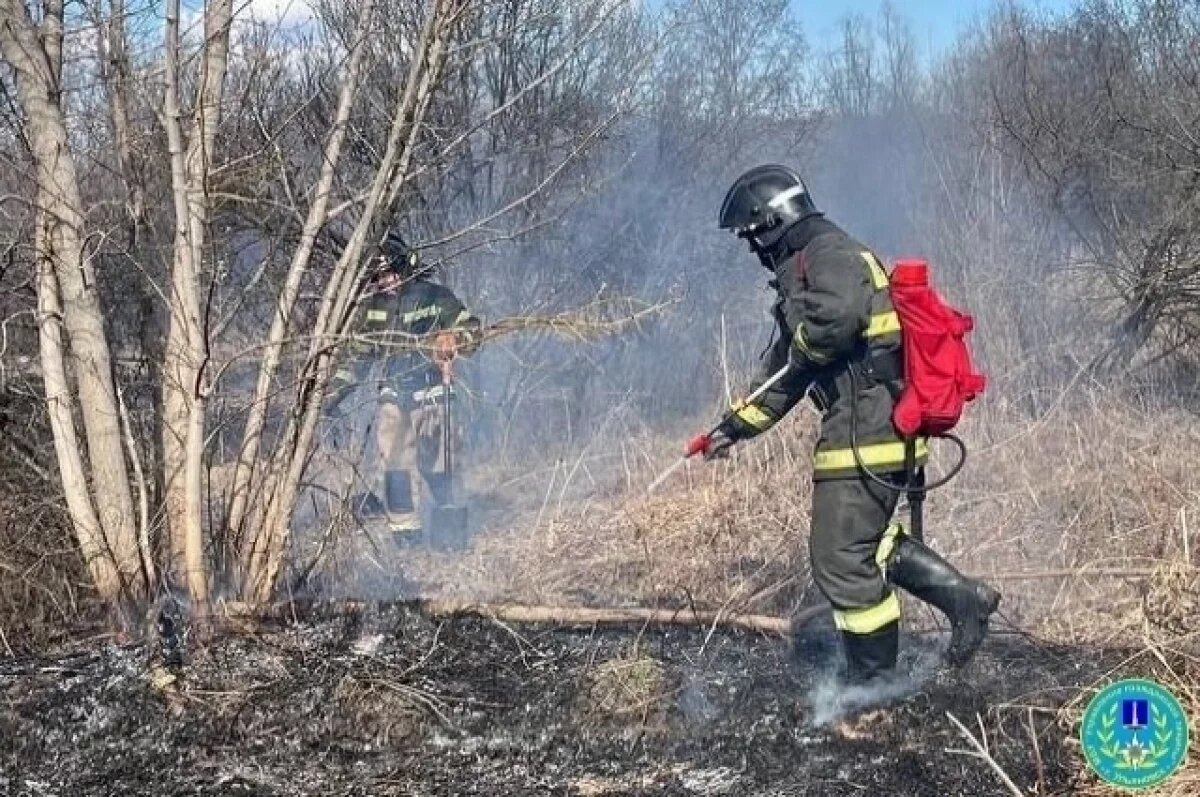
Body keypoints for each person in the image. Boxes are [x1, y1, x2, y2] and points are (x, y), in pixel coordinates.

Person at [707, 164, 1001, 684]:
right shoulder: (808, 263)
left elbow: (833, 326)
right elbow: (785, 371)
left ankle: (872, 687)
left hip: (865, 429)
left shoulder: (825, 255)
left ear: (769, 222)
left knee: (840, 559)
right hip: (873, 424)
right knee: (861, 543)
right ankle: (965, 600)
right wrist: (733, 427)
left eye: (751, 237)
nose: (753, 250)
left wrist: (802, 349)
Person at [327, 231, 482, 536]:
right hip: (393, 395)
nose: (384, 282)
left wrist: (454, 338)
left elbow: (472, 330)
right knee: (393, 464)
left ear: (403, 267)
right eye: (378, 277)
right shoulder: (374, 307)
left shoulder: (435, 296)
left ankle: (448, 528)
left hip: (433, 393)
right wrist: (332, 394)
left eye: (388, 274)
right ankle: (405, 532)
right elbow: (359, 356)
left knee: (439, 463)